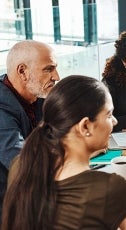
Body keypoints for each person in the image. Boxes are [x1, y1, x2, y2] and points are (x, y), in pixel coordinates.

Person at [2, 75, 126, 229]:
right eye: (109, 114)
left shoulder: (21, 164)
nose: (114, 121)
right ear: (85, 126)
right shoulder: (110, 189)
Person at [0, 40, 59, 220]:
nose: (57, 76)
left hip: (39, 193)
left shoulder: (39, 96)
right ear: (22, 72)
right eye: (48, 69)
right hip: (11, 207)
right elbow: (20, 160)